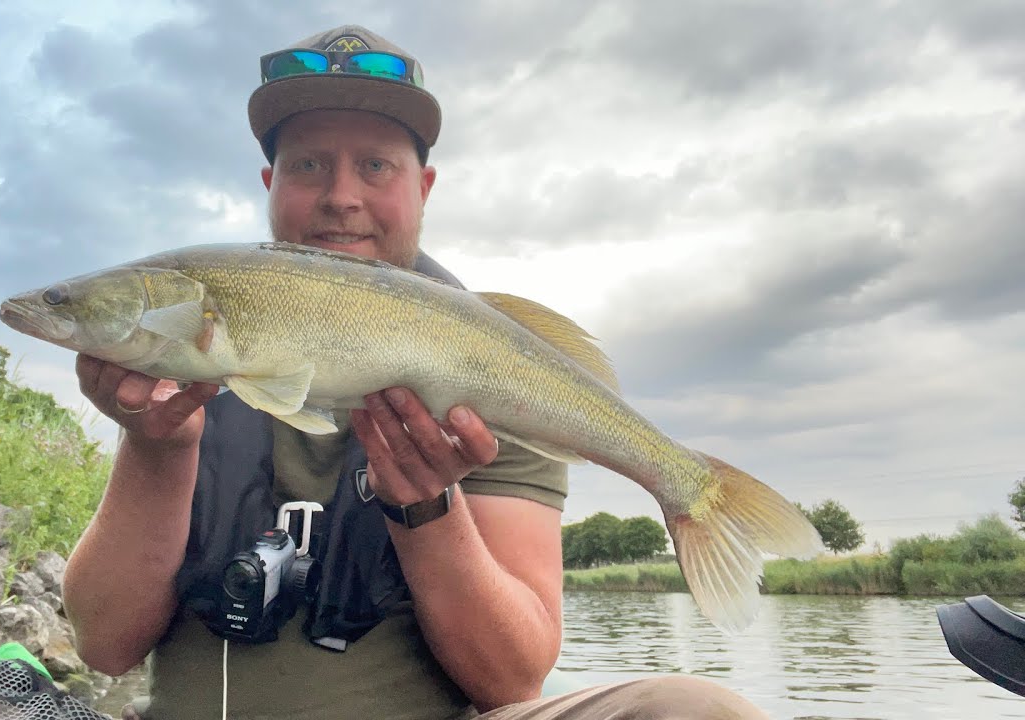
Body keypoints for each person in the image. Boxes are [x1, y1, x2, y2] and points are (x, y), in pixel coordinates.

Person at [61, 24, 771, 720]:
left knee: (695, 709)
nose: (342, 196)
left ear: (423, 186)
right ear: (270, 183)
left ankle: (692, 487)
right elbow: (104, 645)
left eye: (376, 166)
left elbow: (514, 679)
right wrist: (157, 448)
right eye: (308, 165)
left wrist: (426, 509)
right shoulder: (177, 372)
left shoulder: (490, 354)